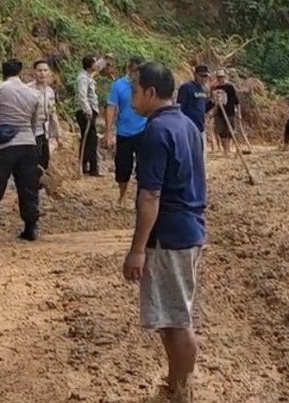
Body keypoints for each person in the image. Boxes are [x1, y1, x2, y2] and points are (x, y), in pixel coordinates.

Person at [121, 62, 206, 403]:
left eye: (135, 90)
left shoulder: (155, 133)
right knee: (172, 317)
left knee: (175, 320)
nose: (132, 99)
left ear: (151, 93)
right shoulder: (186, 124)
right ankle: (175, 384)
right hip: (187, 229)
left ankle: (181, 390)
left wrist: (137, 248)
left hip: (169, 235)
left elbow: (150, 195)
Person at [0, 59, 41, 244]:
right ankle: (31, 228)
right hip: (27, 143)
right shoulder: (33, 93)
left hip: (3, 146)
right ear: (20, 72)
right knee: (28, 188)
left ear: (3, 72)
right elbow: (34, 123)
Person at [106, 57, 149, 207]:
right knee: (123, 166)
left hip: (143, 131)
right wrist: (109, 131)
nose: (138, 74)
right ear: (130, 69)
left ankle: (141, 197)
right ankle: (122, 195)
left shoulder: (146, 86)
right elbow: (111, 107)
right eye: (136, 71)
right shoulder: (118, 85)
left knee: (144, 166)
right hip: (124, 132)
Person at [30, 59, 63, 184]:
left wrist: (58, 135)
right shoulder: (27, 89)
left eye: (45, 70)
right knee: (33, 162)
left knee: (44, 160)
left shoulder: (49, 91)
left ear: (49, 73)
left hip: (44, 132)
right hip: (31, 132)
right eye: (39, 70)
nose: (42, 73)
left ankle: (38, 187)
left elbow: (53, 113)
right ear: (34, 72)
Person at [176, 65, 211, 163]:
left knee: (200, 156)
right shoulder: (186, 87)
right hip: (188, 127)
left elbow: (203, 109)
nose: (204, 79)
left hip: (200, 127)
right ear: (195, 75)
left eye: (206, 77)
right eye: (202, 76)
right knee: (188, 155)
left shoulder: (204, 90)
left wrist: (213, 102)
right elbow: (180, 106)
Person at [75, 55, 102, 177]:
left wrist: (105, 59)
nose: (97, 65)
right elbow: (82, 95)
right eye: (95, 62)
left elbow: (98, 69)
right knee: (90, 139)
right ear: (90, 65)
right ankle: (89, 167)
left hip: (90, 110)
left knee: (91, 139)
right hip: (86, 112)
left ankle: (89, 167)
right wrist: (87, 110)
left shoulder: (88, 76)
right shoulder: (83, 79)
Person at [208, 70, 240, 156]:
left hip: (230, 112)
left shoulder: (230, 87)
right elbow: (211, 100)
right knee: (221, 131)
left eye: (222, 77)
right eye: (219, 77)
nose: (220, 79)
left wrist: (238, 113)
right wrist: (211, 111)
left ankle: (230, 149)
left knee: (230, 131)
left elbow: (236, 101)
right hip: (219, 113)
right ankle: (225, 150)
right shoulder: (214, 88)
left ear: (225, 77)